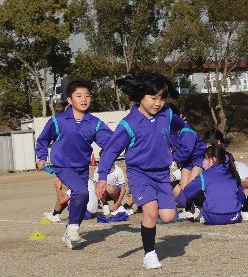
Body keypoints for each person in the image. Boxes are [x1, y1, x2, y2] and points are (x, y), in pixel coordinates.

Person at [96, 72, 185, 269]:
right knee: (151, 213)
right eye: (153, 98)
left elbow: (180, 124)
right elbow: (111, 149)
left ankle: (148, 229)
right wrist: (102, 176)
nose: (158, 103)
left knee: (169, 216)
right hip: (139, 174)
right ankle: (149, 254)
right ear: (140, 97)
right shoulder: (129, 123)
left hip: (162, 174)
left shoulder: (167, 114)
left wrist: (184, 129)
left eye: (162, 98)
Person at [35, 79, 113, 248]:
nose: (84, 99)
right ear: (70, 100)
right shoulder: (58, 120)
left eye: (87, 95)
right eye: (79, 95)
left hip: (82, 167)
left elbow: (111, 142)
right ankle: (73, 228)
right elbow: (43, 140)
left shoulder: (95, 123)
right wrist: (41, 156)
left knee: (81, 199)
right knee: (81, 192)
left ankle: (68, 233)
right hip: (63, 165)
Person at [175, 145, 244, 225]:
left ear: (213, 159)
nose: (203, 161)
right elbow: (241, 195)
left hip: (213, 217)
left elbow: (188, 192)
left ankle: (196, 212)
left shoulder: (204, 175)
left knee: (199, 191)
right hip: (235, 216)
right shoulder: (232, 173)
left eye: (205, 158)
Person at [93, 150, 126, 215]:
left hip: (115, 192)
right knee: (100, 187)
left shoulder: (118, 169)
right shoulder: (97, 169)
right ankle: (105, 205)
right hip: (104, 194)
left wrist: (118, 203)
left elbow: (123, 188)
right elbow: (95, 186)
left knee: (110, 188)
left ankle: (116, 204)